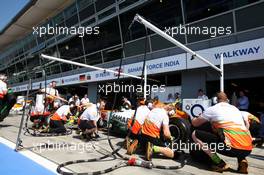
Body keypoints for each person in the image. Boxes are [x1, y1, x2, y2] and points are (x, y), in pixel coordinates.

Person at [192, 92, 252, 173]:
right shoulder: (235, 109)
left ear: (216, 100)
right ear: (227, 100)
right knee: (235, 135)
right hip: (248, 149)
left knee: (195, 134)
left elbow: (195, 123)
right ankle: (242, 161)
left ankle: (219, 163)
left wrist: (193, 119)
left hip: (231, 148)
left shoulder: (212, 109)